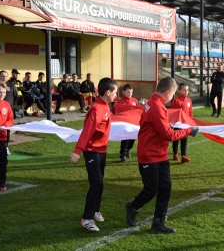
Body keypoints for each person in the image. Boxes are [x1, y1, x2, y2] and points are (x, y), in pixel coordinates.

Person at [125, 77, 199, 234]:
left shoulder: (154, 102)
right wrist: (188, 131)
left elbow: (159, 126)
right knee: (151, 189)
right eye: (172, 95)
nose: (172, 98)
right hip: (149, 154)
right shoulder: (156, 106)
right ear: (167, 93)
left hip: (160, 154)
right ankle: (133, 206)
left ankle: (158, 222)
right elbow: (168, 135)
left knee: (165, 187)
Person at [69, 77, 118, 232]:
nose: (116, 95)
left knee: (99, 182)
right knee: (96, 182)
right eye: (115, 92)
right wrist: (78, 150)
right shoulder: (97, 109)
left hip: (102, 150)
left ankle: (95, 210)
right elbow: (87, 131)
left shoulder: (105, 106)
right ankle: (87, 218)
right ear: (108, 92)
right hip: (92, 151)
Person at [116, 84, 139, 163]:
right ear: (123, 92)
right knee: (125, 140)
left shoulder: (135, 101)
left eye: (131, 92)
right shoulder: (120, 102)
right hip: (125, 124)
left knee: (132, 140)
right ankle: (123, 156)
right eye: (128, 92)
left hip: (133, 124)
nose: (130, 94)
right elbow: (117, 112)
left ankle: (128, 149)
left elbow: (138, 111)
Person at [171, 83, 193, 163]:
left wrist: (191, 121)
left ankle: (183, 156)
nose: (186, 92)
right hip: (178, 123)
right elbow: (172, 111)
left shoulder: (189, 100)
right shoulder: (176, 100)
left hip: (186, 124)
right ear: (179, 90)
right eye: (184, 90)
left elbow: (190, 111)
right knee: (176, 139)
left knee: (184, 139)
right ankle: (175, 153)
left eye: (187, 90)